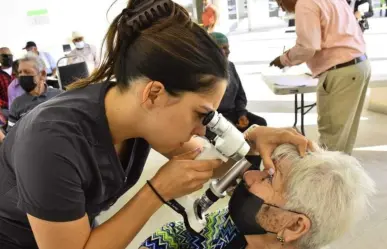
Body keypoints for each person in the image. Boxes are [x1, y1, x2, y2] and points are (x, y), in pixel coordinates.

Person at [0, 1, 309, 249]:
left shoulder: (134, 112)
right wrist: (155, 192)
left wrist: (250, 144)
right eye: (201, 115)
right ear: (155, 93)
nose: (203, 130)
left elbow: (203, 159)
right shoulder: (52, 142)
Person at [140, 143, 376, 249]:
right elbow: (181, 233)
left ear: (294, 225)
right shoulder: (235, 227)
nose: (249, 175)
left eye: (269, 178)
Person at [269, 0, 370, 155]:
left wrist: (284, 59)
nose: (281, 8)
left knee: (331, 142)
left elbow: (308, 47)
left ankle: (329, 178)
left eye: (280, 2)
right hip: (358, 66)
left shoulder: (304, 3)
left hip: (340, 71)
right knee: (344, 137)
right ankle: (341, 176)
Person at [210, 32, 267, 132]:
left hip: (234, 112)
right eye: (223, 48)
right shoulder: (205, 73)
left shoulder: (230, 66)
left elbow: (240, 95)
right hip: (216, 119)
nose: (228, 51)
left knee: (260, 123)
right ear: (212, 50)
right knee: (232, 134)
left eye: (228, 47)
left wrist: (242, 114)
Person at [7, 53, 62, 132]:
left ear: (42, 74)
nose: (22, 76)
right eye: (20, 72)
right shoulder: (17, 104)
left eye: (27, 72)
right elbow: (11, 135)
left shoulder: (60, 96)